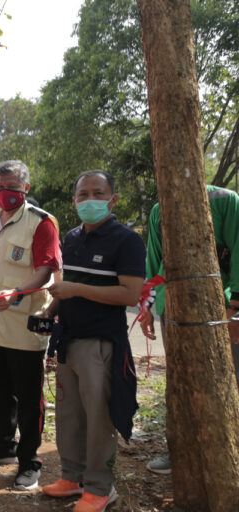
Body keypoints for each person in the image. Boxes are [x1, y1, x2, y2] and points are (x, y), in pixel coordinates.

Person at [41, 170, 144, 512]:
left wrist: (76, 290)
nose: (89, 200)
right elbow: (68, 285)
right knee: (69, 412)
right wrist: (51, 310)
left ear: (113, 199)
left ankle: (101, 487)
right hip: (68, 339)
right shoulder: (71, 238)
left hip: (100, 343)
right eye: (82, 194)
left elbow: (130, 294)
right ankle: (72, 477)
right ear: (74, 200)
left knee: (99, 416)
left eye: (97, 193)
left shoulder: (126, 240)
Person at [0, 160, 61, 492]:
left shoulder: (41, 223)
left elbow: (46, 269)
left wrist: (18, 293)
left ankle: (29, 460)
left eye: (13, 187)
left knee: (28, 396)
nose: (5, 193)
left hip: (24, 327)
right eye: (0, 187)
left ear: (26, 189)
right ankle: (2, 445)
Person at [141, 184, 239, 475]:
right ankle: (180, 451)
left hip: (220, 307)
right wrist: (146, 305)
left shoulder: (226, 201)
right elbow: (154, 259)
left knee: (230, 378)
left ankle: (228, 450)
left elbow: (238, 249)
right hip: (174, 308)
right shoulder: (159, 210)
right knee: (180, 380)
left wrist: (234, 306)